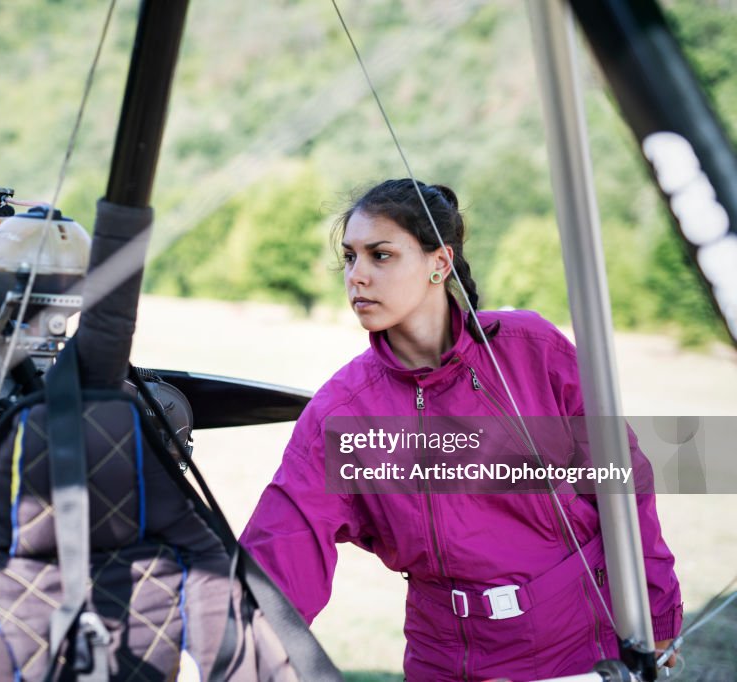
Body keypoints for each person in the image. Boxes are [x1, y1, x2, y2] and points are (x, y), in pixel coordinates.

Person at [238, 178, 682, 680]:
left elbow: (622, 476)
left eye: (380, 255)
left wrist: (655, 609)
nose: (356, 276)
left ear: (439, 263)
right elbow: (284, 543)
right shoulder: (342, 411)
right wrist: (242, 647)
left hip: (579, 640)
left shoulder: (530, 347)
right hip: (446, 656)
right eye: (349, 257)